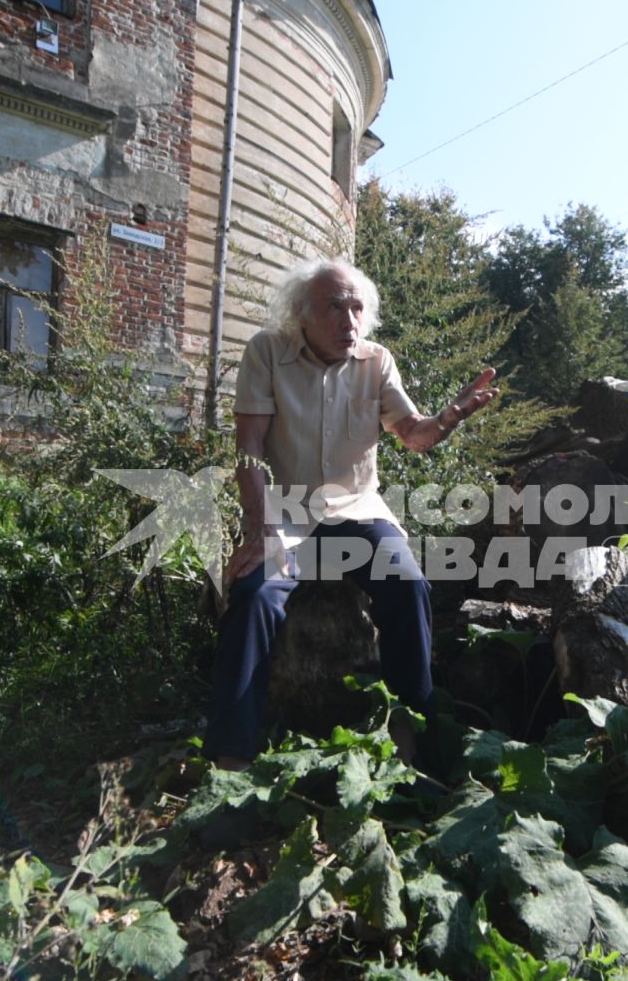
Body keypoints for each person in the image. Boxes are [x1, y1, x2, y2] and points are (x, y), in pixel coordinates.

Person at [202, 258, 496, 769]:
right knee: (250, 597)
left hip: (357, 510)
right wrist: (259, 527)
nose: (349, 320)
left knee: (409, 586)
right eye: (334, 306)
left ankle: (412, 748)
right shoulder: (267, 352)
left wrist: (448, 418)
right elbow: (248, 447)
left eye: (356, 307)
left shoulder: (376, 361)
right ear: (302, 315)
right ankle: (232, 763)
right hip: (288, 513)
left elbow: (413, 435)